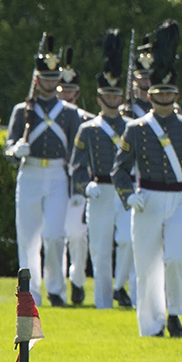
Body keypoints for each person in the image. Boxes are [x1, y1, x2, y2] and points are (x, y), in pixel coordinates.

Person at [112, 21, 182, 338]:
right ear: (150, 94)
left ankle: (175, 313)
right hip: (147, 199)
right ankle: (151, 324)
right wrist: (128, 195)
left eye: (169, 92)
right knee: (146, 265)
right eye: (159, 92)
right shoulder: (136, 129)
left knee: (177, 259)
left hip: (179, 200)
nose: (164, 98)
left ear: (177, 94)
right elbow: (120, 168)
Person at [5, 35, 84, 308]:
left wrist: (77, 187)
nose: (50, 84)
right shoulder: (22, 110)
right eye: (46, 79)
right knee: (27, 239)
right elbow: (8, 146)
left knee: (54, 235)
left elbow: (76, 154)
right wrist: (17, 150)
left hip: (57, 176)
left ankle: (56, 289)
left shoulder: (70, 113)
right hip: (30, 174)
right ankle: (30, 293)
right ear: (37, 80)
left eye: (54, 79)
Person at [68, 29, 132, 313]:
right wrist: (85, 187)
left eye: (116, 94)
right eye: (108, 95)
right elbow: (77, 167)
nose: (113, 99)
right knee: (100, 250)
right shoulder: (88, 129)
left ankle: (120, 285)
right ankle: (104, 302)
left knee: (128, 240)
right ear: (99, 98)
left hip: (126, 190)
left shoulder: (133, 127)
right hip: (99, 191)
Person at [54, 60, 90, 306]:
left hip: (78, 182)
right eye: (62, 90)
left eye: (70, 91)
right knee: (55, 235)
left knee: (77, 235)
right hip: (55, 179)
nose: (66, 94)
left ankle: (77, 280)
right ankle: (56, 286)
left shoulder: (87, 119)